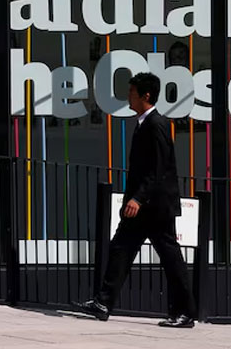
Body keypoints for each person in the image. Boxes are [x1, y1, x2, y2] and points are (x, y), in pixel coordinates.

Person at [72, 72, 196, 328]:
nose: (128, 96)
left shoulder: (156, 125)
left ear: (145, 95)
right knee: (120, 249)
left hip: (154, 207)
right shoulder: (144, 124)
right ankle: (103, 303)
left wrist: (138, 199)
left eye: (131, 92)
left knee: (171, 258)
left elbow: (158, 168)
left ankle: (184, 312)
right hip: (143, 207)